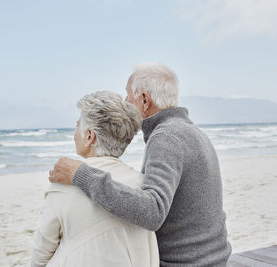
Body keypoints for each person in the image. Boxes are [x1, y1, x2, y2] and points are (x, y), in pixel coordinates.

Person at [49, 63, 232, 266]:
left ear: (144, 100)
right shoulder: (191, 131)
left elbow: (152, 212)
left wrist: (80, 174)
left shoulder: (166, 137)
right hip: (214, 258)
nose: (125, 101)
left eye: (128, 96)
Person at [31, 91, 159, 267]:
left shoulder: (64, 187)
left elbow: (40, 254)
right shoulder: (144, 186)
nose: (75, 134)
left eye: (77, 127)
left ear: (90, 136)